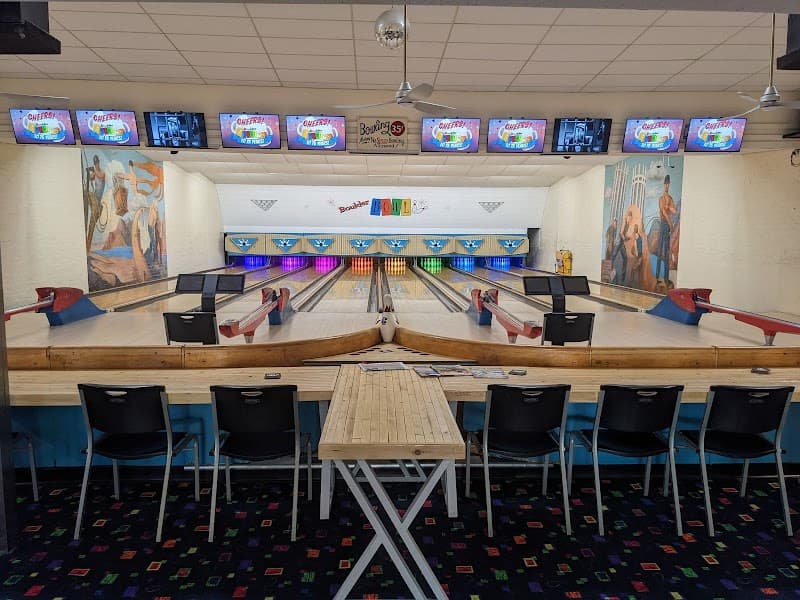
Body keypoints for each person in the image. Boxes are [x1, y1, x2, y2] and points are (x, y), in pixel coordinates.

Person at [655, 174, 677, 284]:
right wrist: (671, 225)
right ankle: (657, 277)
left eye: (668, 184)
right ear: (664, 184)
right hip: (664, 225)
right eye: (666, 183)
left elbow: (674, 211)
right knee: (660, 251)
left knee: (667, 252)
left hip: (667, 226)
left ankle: (665, 278)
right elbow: (663, 212)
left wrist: (668, 206)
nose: (667, 185)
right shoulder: (661, 198)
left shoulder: (670, 198)